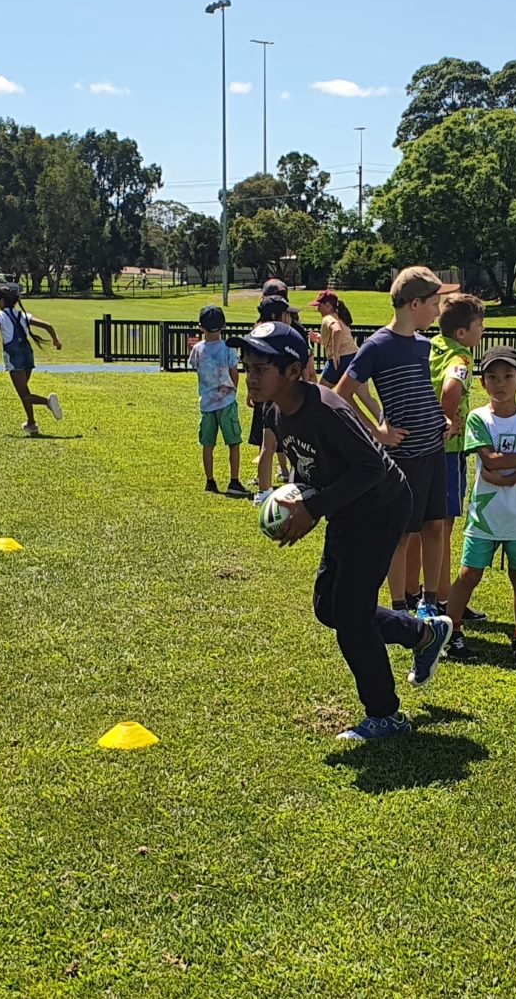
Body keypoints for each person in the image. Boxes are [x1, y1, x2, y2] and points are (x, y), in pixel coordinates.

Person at [237, 321, 453, 741]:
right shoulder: (274, 411)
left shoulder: (328, 410)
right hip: (347, 510)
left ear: (294, 371)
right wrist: (304, 507)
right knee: (328, 608)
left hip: (382, 506)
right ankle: (424, 633)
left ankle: (386, 715)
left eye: (261, 368)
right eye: (247, 367)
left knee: (352, 615)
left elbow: (372, 468)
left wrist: (314, 508)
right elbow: (312, 467)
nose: (252, 376)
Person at [335, 267, 451, 614]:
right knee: (401, 533)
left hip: (434, 450)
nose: (437, 311)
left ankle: (430, 603)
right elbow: (342, 396)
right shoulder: (377, 346)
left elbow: (425, 392)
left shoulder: (426, 347)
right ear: (415, 303)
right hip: (404, 458)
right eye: (434, 303)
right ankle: (399, 606)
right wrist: (378, 432)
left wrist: (441, 417)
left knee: (435, 527)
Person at [445, 346, 516, 667]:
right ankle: (452, 634)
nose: (500, 383)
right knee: (468, 574)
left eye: (508, 376)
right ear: (482, 382)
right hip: (485, 515)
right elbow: (488, 459)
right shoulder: (479, 418)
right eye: (492, 376)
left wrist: (506, 476)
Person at [421, 291, 488, 656]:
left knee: (424, 524)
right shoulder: (460, 356)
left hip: (420, 449)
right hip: (447, 450)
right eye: (480, 326)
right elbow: (451, 386)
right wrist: (448, 416)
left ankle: (425, 592)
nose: (482, 332)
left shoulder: (431, 345)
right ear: (463, 332)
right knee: (444, 525)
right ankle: (446, 598)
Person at [0, 283, 63, 435]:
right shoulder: (23, 315)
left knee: (24, 394)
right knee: (24, 391)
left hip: (14, 356)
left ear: (1, 301)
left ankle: (48, 402)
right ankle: (31, 423)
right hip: (28, 353)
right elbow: (48, 326)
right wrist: (56, 340)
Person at [189, 305, 249, 497]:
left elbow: (196, 368)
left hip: (206, 403)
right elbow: (234, 372)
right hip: (226, 401)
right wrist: (233, 390)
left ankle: (210, 481)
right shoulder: (228, 348)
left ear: (201, 327)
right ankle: (234, 481)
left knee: (208, 443)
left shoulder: (198, 349)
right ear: (223, 325)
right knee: (233, 442)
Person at [250, 295, 297, 502]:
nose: (290, 317)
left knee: (267, 446)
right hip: (285, 399)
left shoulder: (255, 334)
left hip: (268, 399)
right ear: (277, 315)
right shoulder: (286, 337)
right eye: (287, 313)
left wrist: (252, 391)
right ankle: (296, 485)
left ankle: (263, 491)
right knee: (293, 444)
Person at [309, 290, 358, 387]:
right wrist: (322, 340)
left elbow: (337, 330)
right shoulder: (340, 318)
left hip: (339, 360)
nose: (317, 309)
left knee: (320, 393)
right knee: (358, 395)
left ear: (328, 306)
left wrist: (335, 354)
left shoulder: (328, 318)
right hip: (354, 357)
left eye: (319, 305)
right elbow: (340, 337)